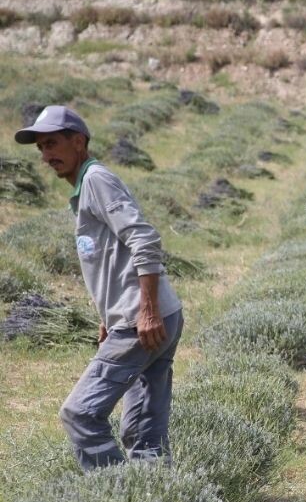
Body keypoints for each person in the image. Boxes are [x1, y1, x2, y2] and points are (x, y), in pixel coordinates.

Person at [17, 106, 184, 470]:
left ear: (79, 142)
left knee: (80, 415)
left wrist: (146, 308)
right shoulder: (86, 186)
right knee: (144, 433)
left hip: (144, 320)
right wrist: (108, 316)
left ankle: (115, 496)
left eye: (53, 144)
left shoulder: (96, 180)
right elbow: (111, 256)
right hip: (153, 316)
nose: (46, 156)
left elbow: (144, 239)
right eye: (41, 148)